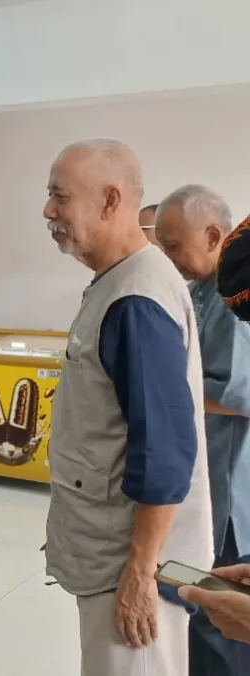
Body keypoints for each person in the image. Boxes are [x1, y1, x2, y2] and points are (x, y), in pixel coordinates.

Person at [42, 139, 213, 676]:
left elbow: (163, 456)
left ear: (110, 201)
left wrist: (140, 575)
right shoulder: (120, 282)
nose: (48, 211)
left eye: (59, 197)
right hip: (115, 555)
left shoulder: (136, 300)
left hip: (130, 567)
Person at [156, 184, 250, 675]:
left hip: (229, 489)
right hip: (198, 477)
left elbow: (237, 395)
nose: (168, 258)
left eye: (174, 246)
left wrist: (162, 392)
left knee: (222, 614)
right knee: (191, 595)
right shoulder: (196, 291)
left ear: (214, 235)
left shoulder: (236, 303)